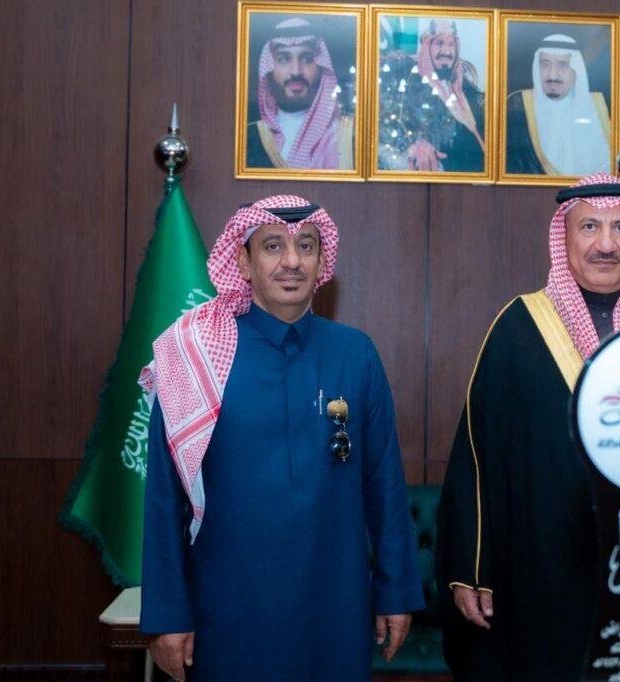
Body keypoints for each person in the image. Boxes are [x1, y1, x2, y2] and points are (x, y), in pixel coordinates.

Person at [435, 174, 620, 680]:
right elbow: (476, 454)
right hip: (541, 565)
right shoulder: (519, 326)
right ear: (565, 237)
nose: (606, 244)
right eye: (590, 227)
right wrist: (471, 568)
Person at [139, 195, 424, 681]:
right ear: (243, 263)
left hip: (335, 611)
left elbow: (386, 488)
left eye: (306, 246)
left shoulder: (355, 354)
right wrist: (167, 614)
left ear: (321, 261)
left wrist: (396, 592)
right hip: (228, 613)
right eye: (273, 246)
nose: (292, 261)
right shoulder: (195, 358)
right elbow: (165, 498)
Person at [377, 19, 486, 172]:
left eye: (451, 44)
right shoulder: (410, 80)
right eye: (439, 43)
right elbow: (387, 124)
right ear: (427, 46)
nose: (446, 52)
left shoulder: (466, 90)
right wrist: (413, 145)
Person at [246, 17, 353, 170]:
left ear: (321, 68)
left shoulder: (347, 136)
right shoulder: (249, 137)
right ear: (269, 68)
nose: (296, 71)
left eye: (307, 59)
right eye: (283, 59)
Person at [505, 34, 611, 176]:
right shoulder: (517, 105)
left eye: (562, 65)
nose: (552, 75)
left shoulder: (600, 107)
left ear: (576, 70)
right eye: (545, 64)